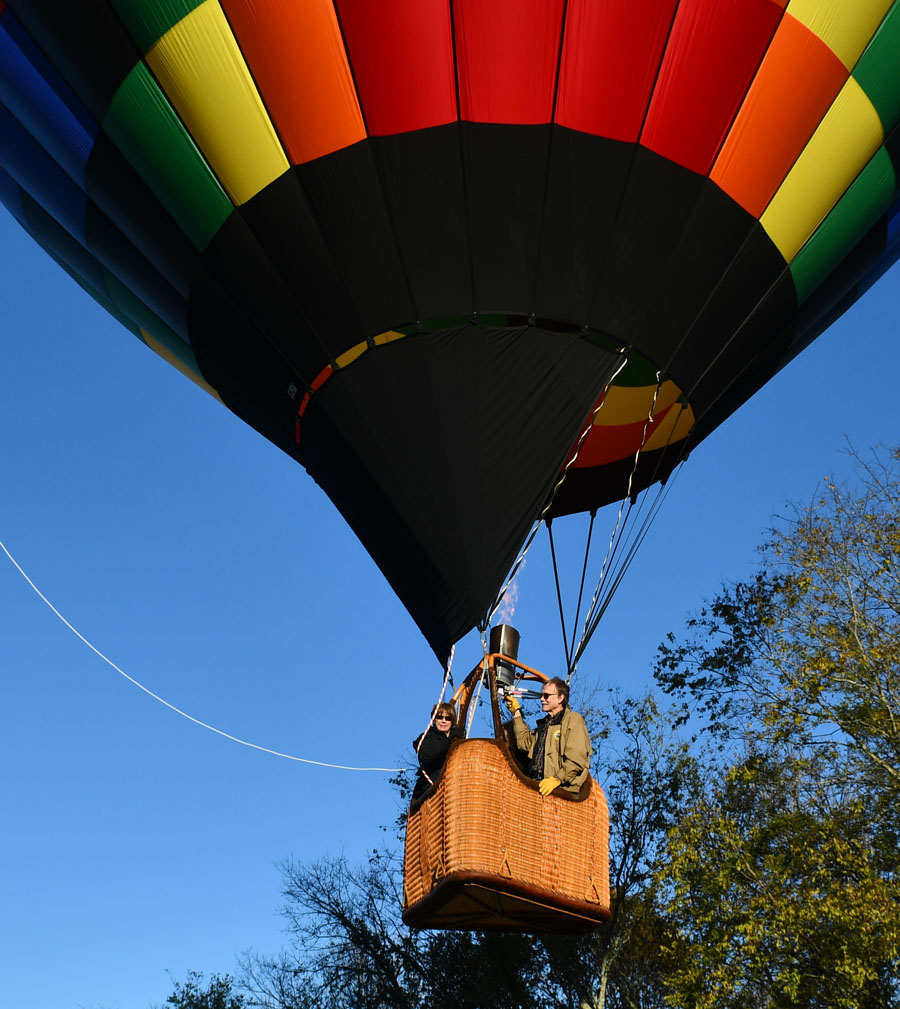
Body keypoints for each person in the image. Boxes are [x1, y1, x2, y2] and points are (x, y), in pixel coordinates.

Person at [505, 677, 591, 796]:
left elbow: (577, 759)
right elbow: (524, 743)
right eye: (542, 695)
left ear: (560, 698)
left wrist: (557, 779)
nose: (542, 699)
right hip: (536, 783)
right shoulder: (545, 725)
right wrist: (516, 712)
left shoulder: (573, 720)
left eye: (546, 696)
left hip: (558, 788)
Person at [411, 702, 465, 803]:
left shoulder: (456, 737)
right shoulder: (426, 737)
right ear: (434, 719)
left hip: (451, 787)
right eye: (440, 717)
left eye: (447, 718)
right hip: (429, 789)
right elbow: (428, 756)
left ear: (452, 721)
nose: (443, 721)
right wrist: (450, 741)